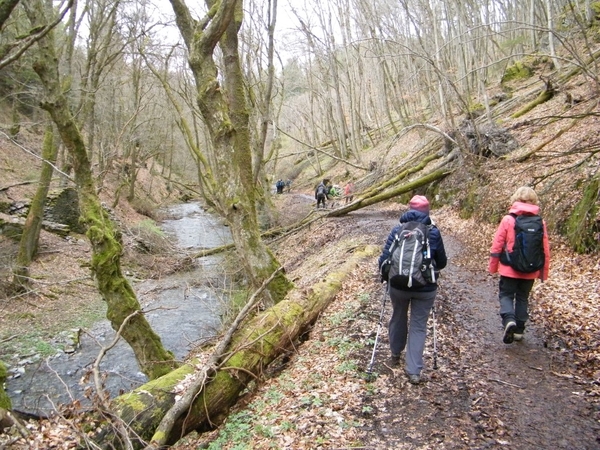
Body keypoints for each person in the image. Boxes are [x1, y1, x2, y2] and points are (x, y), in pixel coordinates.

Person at [378, 195, 447, 384]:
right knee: (418, 325)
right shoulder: (433, 232)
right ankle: (413, 370)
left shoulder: (398, 229)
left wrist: (385, 277)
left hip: (398, 285)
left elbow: (384, 258)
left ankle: (394, 353)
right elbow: (442, 262)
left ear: (409, 209)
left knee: (398, 315)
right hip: (425, 288)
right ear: (427, 211)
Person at [488, 186, 550, 344]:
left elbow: (497, 246)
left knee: (506, 295)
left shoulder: (508, 220)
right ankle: (519, 331)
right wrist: (543, 273)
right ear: (534, 201)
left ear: (515, 199)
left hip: (509, 268)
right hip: (531, 269)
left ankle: (509, 320)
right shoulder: (540, 222)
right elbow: (544, 250)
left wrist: (493, 267)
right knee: (523, 297)